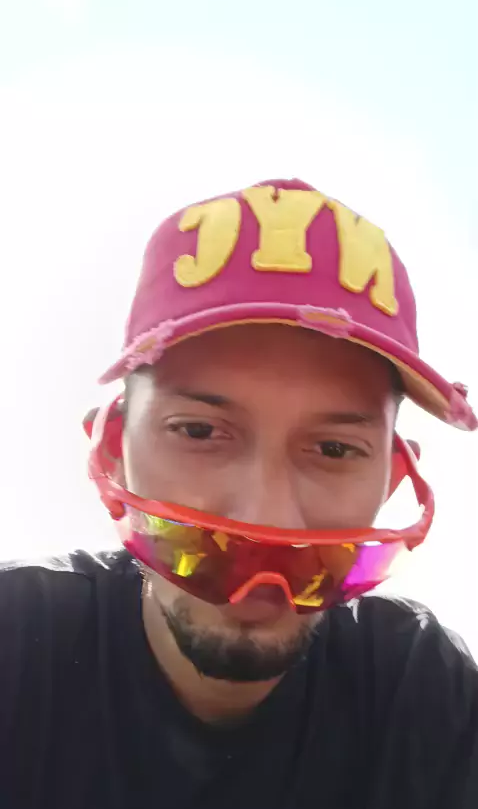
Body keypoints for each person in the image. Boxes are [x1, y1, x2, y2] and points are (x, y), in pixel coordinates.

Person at [1, 178, 477, 809]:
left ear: (390, 482)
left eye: (335, 449)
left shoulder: (424, 694)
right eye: (199, 431)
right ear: (114, 450)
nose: (265, 519)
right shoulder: (15, 642)